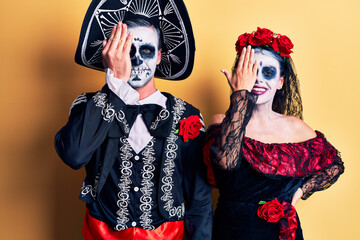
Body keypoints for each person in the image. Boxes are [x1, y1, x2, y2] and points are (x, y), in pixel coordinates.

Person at [54, 1, 212, 239]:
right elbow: (74, 155)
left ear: (159, 56)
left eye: (146, 50)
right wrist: (115, 84)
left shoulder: (187, 115)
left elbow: (199, 199)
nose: (136, 60)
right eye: (128, 51)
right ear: (112, 55)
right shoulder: (90, 105)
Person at [203, 27, 344, 240]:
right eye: (251, 71)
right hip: (232, 231)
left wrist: (299, 191)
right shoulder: (221, 122)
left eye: (268, 72)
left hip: (283, 232)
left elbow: (334, 165)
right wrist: (240, 94)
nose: (258, 80)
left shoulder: (295, 127)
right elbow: (226, 162)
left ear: (280, 81)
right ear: (240, 75)